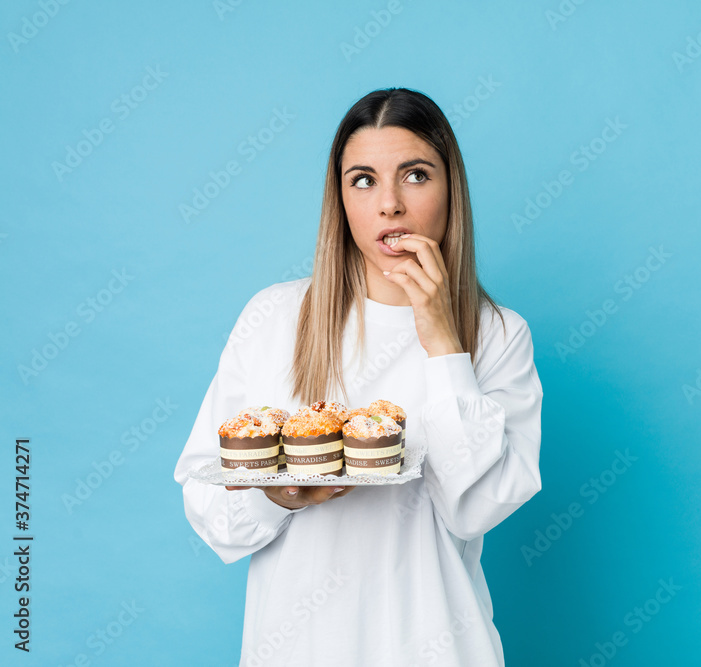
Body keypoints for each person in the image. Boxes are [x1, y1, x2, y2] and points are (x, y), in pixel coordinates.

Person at [173, 87, 544, 666]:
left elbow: (475, 509)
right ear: (341, 199)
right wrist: (278, 495)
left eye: (416, 175)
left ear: (452, 191)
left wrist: (445, 345)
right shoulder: (274, 317)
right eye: (364, 180)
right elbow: (208, 504)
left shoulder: (497, 334)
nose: (389, 205)